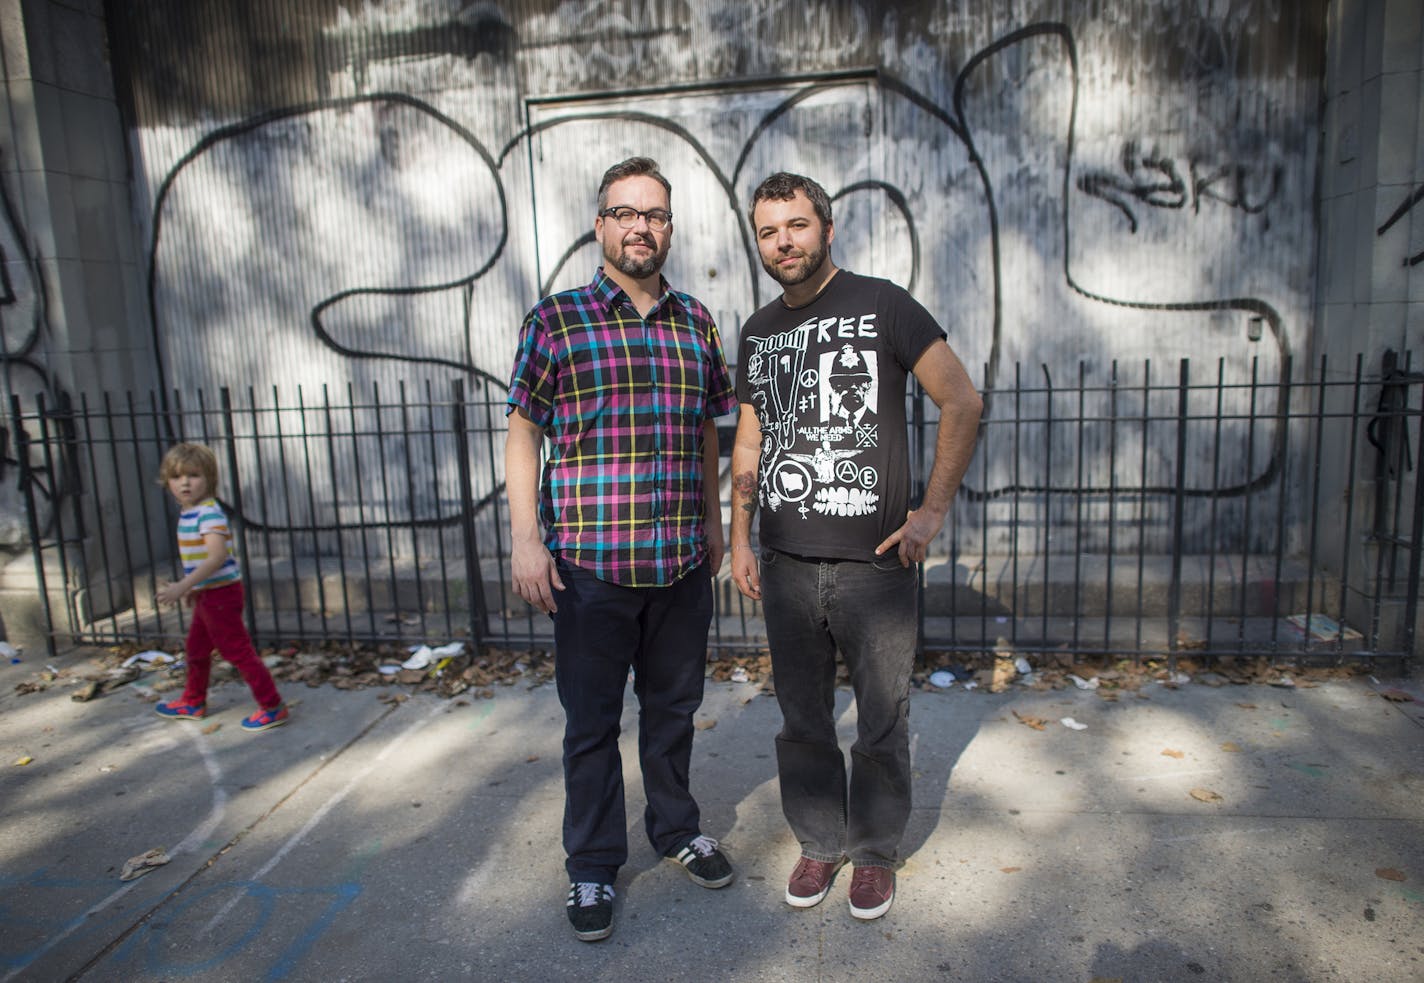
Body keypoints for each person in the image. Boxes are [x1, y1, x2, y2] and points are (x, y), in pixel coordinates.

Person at [729, 173, 982, 920]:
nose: (785, 242)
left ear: (826, 229)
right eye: (770, 231)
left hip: (876, 566)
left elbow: (962, 399)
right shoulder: (758, 330)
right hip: (785, 563)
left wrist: (931, 511)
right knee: (802, 718)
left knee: (881, 718)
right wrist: (738, 536)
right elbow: (751, 432)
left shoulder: (883, 305)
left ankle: (873, 851)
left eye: (797, 226)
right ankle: (819, 840)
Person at [505, 156, 738, 943]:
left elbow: (709, 424)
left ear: (669, 227)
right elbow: (522, 429)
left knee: (673, 711)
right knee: (591, 723)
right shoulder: (556, 320)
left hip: (678, 561)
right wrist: (526, 540)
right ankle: (594, 865)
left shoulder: (696, 320)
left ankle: (676, 828)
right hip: (589, 567)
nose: (642, 226)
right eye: (625, 212)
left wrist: (714, 521)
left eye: (656, 214)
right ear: (600, 224)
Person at [152, 442, 287, 732]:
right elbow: (199, 559)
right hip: (208, 593)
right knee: (196, 649)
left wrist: (182, 586)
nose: (185, 482)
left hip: (221, 595)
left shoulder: (209, 514)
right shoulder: (190, 512)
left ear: (209, 478)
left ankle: (272, 705)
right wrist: (194, 588)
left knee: (237, 651)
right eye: (177, 477)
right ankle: (193, 701)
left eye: (193, 475)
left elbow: (216, 557)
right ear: (167, 482)